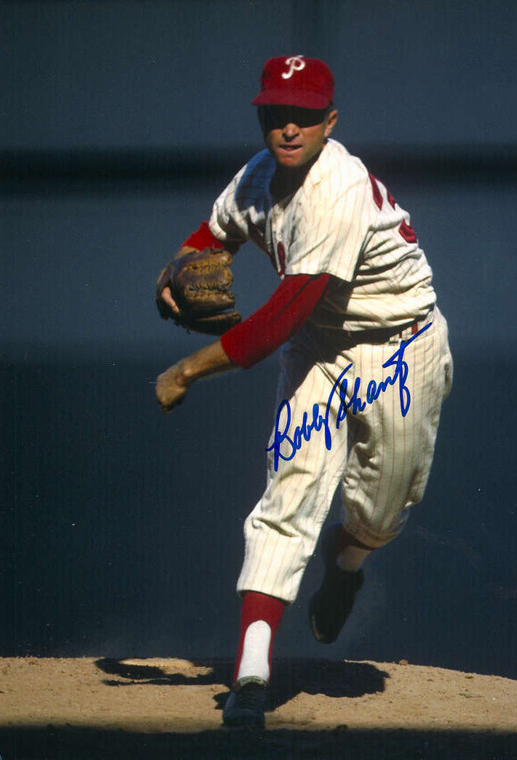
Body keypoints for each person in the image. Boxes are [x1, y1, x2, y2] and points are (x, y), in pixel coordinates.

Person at [155, 55, 453, 728]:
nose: (287, 127)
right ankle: (252, 674)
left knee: (379, 513)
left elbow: (275, 322)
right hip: (319, 348)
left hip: (397, 344)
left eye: (303, 115)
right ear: (262, 118)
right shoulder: (259, 174)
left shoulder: (335, 188)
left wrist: (186, 370)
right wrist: (175, 270)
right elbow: (214, 235)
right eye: (274, 114)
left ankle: (346, 562)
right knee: (288, 489)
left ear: (330, 121)